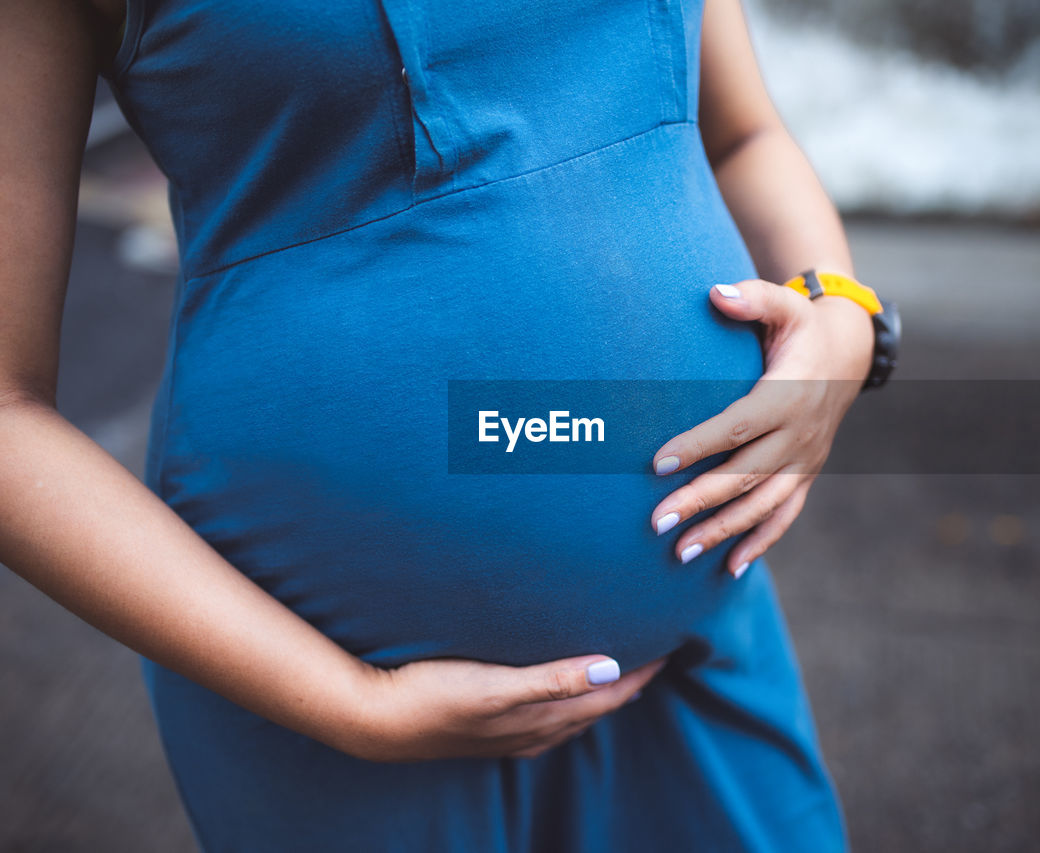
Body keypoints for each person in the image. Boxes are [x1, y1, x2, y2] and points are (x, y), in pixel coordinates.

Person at [1, 0, 877, 849]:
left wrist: (839, 311)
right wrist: (352, 704)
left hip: (703, 619)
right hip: (318, 690)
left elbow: (742, 133)